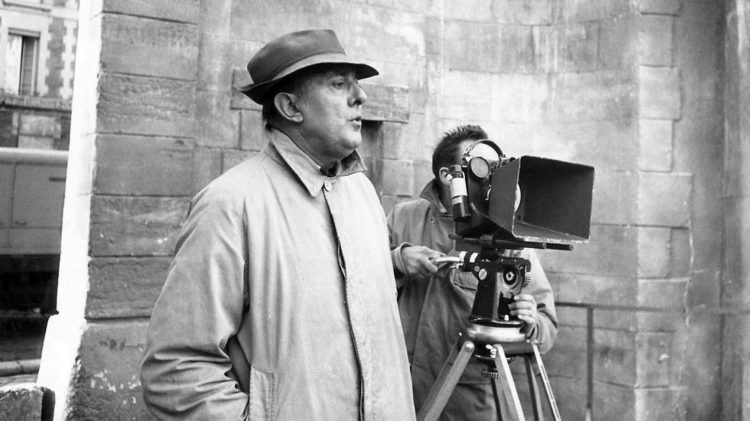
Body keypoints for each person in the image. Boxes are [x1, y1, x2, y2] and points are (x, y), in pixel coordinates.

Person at [140, 29, 416, 420]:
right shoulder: (229, 204)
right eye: (339, 84)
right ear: (290, 106)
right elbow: (176, 369)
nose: (360, 97)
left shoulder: (362, 193)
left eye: (355, 84)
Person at [387, 125, 558, 420]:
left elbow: (547, 327)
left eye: (495, 168)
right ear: (446, 175)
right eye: (480, 167)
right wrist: (397, 260)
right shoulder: (403, 217)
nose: (491, 177)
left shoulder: (507, 235)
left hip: (469, 401)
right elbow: (357, 282)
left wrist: (530, 321)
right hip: (401, 391)